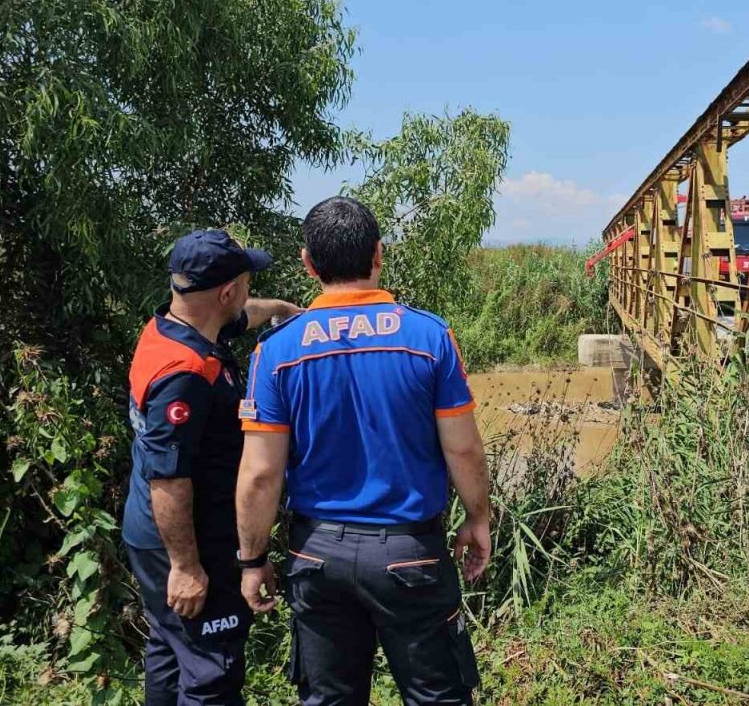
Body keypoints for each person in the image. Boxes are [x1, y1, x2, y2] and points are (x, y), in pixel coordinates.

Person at [234, 196, 491, 706]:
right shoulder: (428, 337)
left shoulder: (276, 352)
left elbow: (261, 475)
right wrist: (477, 517)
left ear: (308, 264)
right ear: (379, 254)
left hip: (317, 555)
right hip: (411, 553)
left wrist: (252, 559)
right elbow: (463, 451)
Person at [122, 229, 302, 706]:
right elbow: (169, 478)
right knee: (212, 672)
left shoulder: (167, 329)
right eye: (245, 283)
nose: (247, 293)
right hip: (186, 540)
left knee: (168, 646)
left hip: (146, 533)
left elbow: (244, 316)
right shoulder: (184, 376)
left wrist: (286, 311)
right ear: (225, 292)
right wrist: (186, 568)